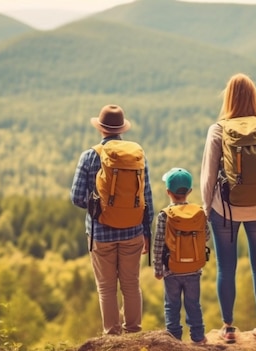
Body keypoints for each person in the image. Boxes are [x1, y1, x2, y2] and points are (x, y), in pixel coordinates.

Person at [200, 73, 256, 343]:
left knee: (227, 268)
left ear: (229, 97)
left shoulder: (218, 129)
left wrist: (205, 208)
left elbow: (208, 175)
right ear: (254, 96)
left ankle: (228, 328)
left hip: (225, 209)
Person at [70, 104, 154, 335]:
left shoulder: (89, 156)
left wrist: (99, 207)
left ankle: (112, 337)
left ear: (101, 129)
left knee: (106, 288)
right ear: (121, 130)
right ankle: (134, 332)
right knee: (131, 284)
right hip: (133, 232)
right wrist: (147, 232)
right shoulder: (137, 156)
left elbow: (77, 197)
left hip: (101, 233)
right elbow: (146, 197)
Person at [153, 168, 210, 345]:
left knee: (172, 304)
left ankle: (174, 339)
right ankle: (198, 337)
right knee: (194, 304)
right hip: (193, 268)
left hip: (171, 269)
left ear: (168, 192)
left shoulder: (164, 215)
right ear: (190, 192)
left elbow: (158, 244)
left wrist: (157, 268)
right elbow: (206, 236)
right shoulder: (199, 212)